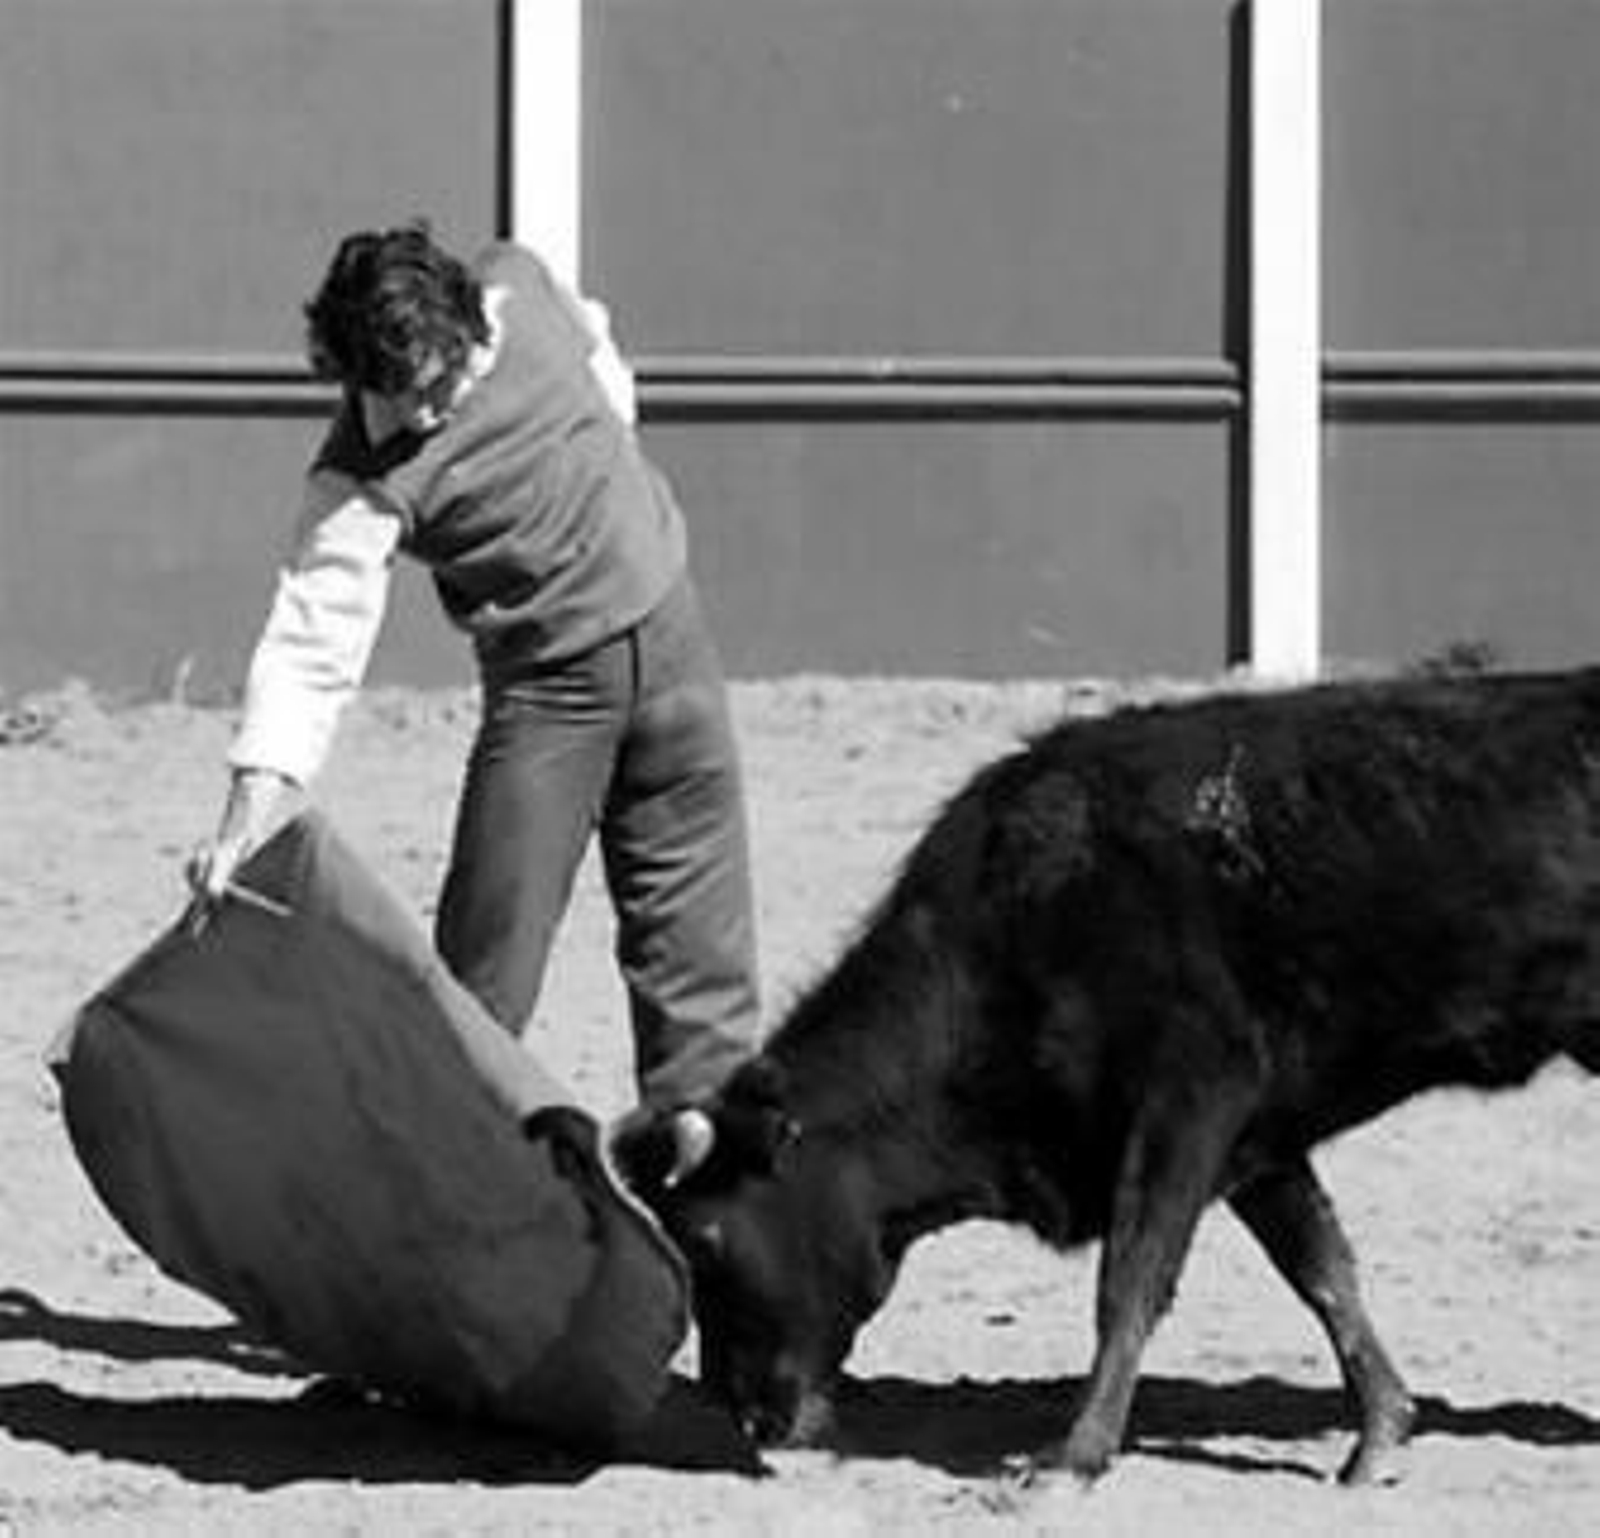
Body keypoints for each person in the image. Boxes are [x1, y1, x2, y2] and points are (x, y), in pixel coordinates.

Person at [189, 221, 760, 1129]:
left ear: (465, 325)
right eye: (396, 394)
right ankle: (450, 1163)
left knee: (701, 953)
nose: (421, 416)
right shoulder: (358, 481)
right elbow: (311, 641)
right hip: (554, 692)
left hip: (673, 644)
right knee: (486, 970)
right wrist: (247, 812)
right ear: (347, 371)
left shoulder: (517, 290)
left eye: (438, 385)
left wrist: (608, 459)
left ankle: (715, 1182)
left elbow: (601, 355)